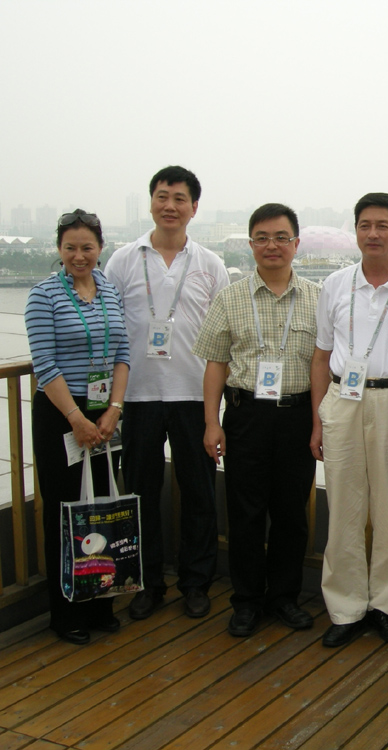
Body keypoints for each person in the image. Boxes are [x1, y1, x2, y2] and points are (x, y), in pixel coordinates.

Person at [105, 166, 229, 621]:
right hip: (137, 396)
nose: (170, 206)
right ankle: (148, 583)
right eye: (162, 196)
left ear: (194, 208)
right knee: (140, 494)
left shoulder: (210, 264)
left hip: (195, 397)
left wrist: (215, 410)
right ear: (151, 202)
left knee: (199, 494)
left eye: (179, 198)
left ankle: (196, 583)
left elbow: (221, 337)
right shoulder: (123, 259)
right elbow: (110, 328)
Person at [192, 203, 319, 638]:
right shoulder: (229, 297)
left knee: (291, 514)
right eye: (262, 238)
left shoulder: (318, 298)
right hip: (245, 416)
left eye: (281, 237)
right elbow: (215, 364)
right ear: (250, 244)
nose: (272, 245)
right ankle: (246, 601)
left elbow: (323, 365)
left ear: (296, 244)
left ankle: (283, 597)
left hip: (297, 415)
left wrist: (319, 423)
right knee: (244, 513)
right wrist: (212, 423)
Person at [311, 192, 388, 648]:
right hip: (343, 399)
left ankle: (386, 605)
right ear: (355, 232)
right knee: (342, 506)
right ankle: (345, 608)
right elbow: (321, 356)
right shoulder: (334, 285)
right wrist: (318, 420)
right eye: (365, 225)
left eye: (383, 226)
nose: (373, 234)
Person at [26, 210, 130, 644]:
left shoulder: (109, 290)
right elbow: (45, 365)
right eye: (70, 247)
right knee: (65, 510)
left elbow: (123, 353)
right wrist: (76, 418)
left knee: (101, 505)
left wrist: (114, 409)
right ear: (59, 249)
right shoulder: (43, 296)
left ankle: (100, 601)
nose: (79, 255)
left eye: (87, 247)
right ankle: (66, 611)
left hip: (104, 414)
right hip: (61, 414)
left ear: (100, 248)